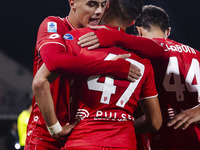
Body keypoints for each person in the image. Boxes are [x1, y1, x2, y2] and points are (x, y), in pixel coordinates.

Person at [26, 0, 140, 149]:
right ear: (72, 3)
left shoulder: (102, 37)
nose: (99, 11)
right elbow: (55, 62)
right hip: (47, 136)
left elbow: (155, 50)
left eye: (103, 4)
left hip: (82, 136)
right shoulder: (54, 25)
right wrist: (111, 66)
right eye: (92, 4)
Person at [89, 4, 200, 150]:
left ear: (139, 31)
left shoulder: (142, 53)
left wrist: (120, 126)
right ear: (168, 31)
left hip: (167, 137)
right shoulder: (197, 54)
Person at [58, 0, 162, 149]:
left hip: (82, 140)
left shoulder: (76, 39)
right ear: (133, 22)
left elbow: (44, 83)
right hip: (124, 142)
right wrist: (122, 126)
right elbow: (155, 122)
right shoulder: (144, 61)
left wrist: (54, 127)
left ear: (106, 6)